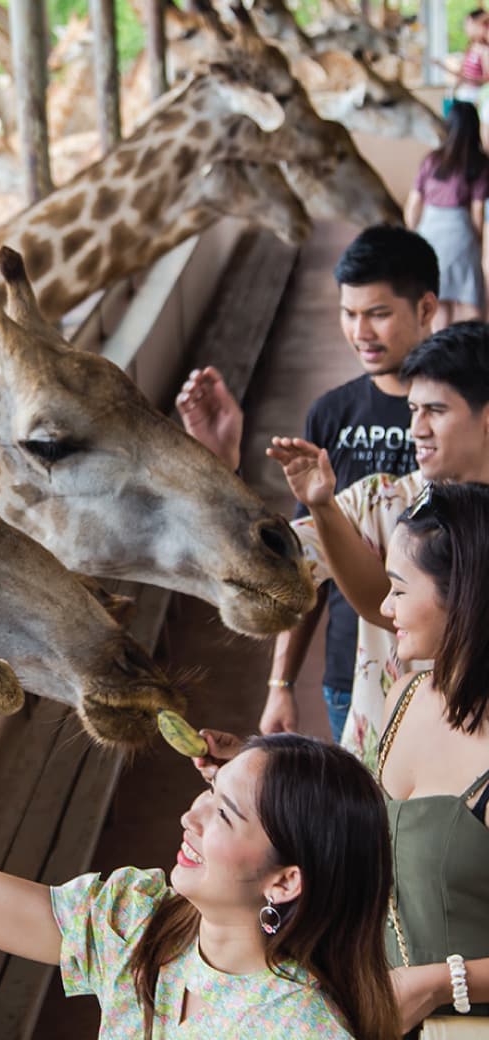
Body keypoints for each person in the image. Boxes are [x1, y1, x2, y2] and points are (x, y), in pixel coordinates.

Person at [0, 690, 399, 1038]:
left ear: (285, 880)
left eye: (225, 814)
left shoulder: (302, 1031)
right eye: (208, 793)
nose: (189, 818)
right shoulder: (137, 922)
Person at [196, 482, 489, 1036]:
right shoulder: (408, 693)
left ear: (464, 598)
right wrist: (258, 778)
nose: (384, 607)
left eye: (399, 589)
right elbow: (359, 817)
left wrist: (436, 983)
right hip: (373, 1009)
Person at [178, 226, 436, 743]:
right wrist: (282, 682)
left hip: (445, 667)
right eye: (349, 313)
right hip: (352, 672)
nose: (360, 330)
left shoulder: (457, 419)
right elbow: (303, 561)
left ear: (426, 308)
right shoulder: (332, 413)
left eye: (378, 313)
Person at [265, 321, 489, 767]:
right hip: (384, 760)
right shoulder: (382, 500)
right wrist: (223, 469)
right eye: (412, 410)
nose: (416, 428)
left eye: (436, 411)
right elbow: (276, 560)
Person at [405, 101, 489, 329]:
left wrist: (415, 234)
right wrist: (477, 239)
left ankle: (441, 359)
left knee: (437, 301)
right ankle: (470, 356)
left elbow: (413, 205)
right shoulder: (480, 164)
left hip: (430, 231)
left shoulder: (431, 160)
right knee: (469, 301)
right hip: (460, 231)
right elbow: (478, 211)